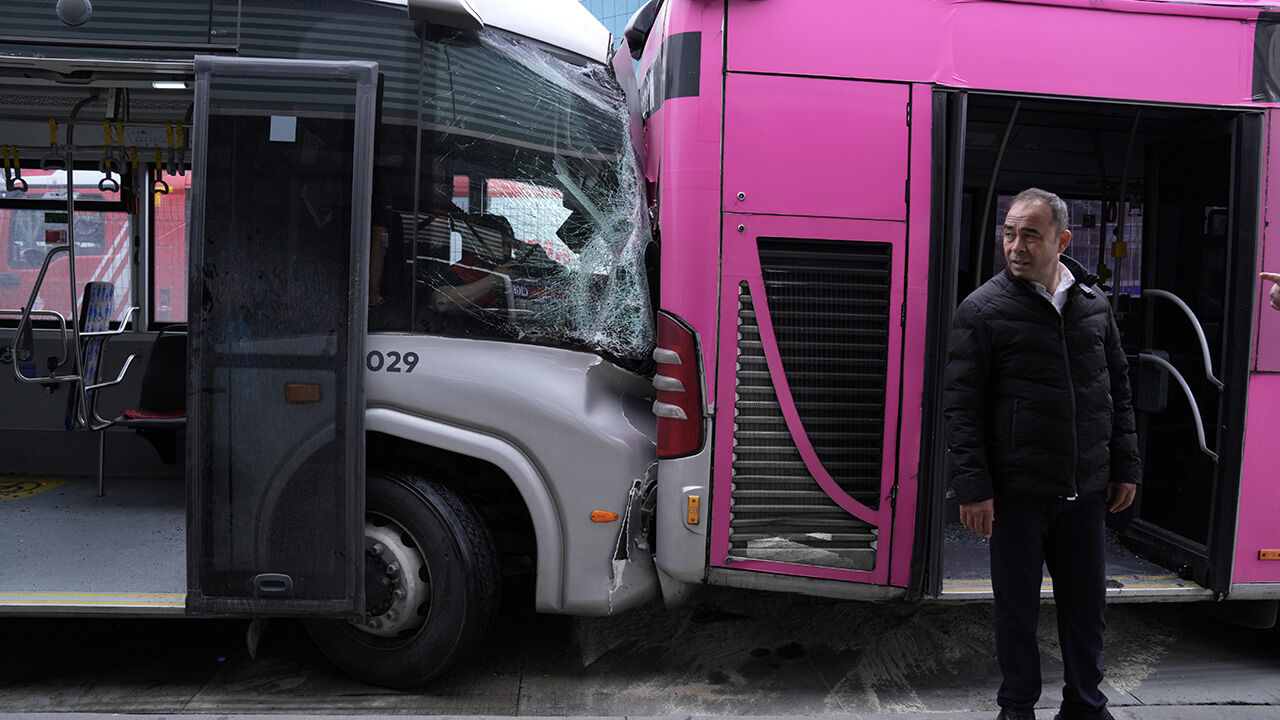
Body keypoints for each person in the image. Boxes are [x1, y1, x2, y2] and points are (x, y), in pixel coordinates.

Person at [944, 188, 1141, 720]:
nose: (1016, 245)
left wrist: (1125, 467)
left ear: (1062, 239)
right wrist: (974, 489)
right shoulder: (982, 310)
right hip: (1016, 494)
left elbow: (1117, 392)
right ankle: (1017, 707)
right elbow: (961, 409)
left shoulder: (1093, 306)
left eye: (1030, 234)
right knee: (1016, 610)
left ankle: (1084, 705)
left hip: (1084, 491)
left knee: (1086, 609)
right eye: (1009, 233)